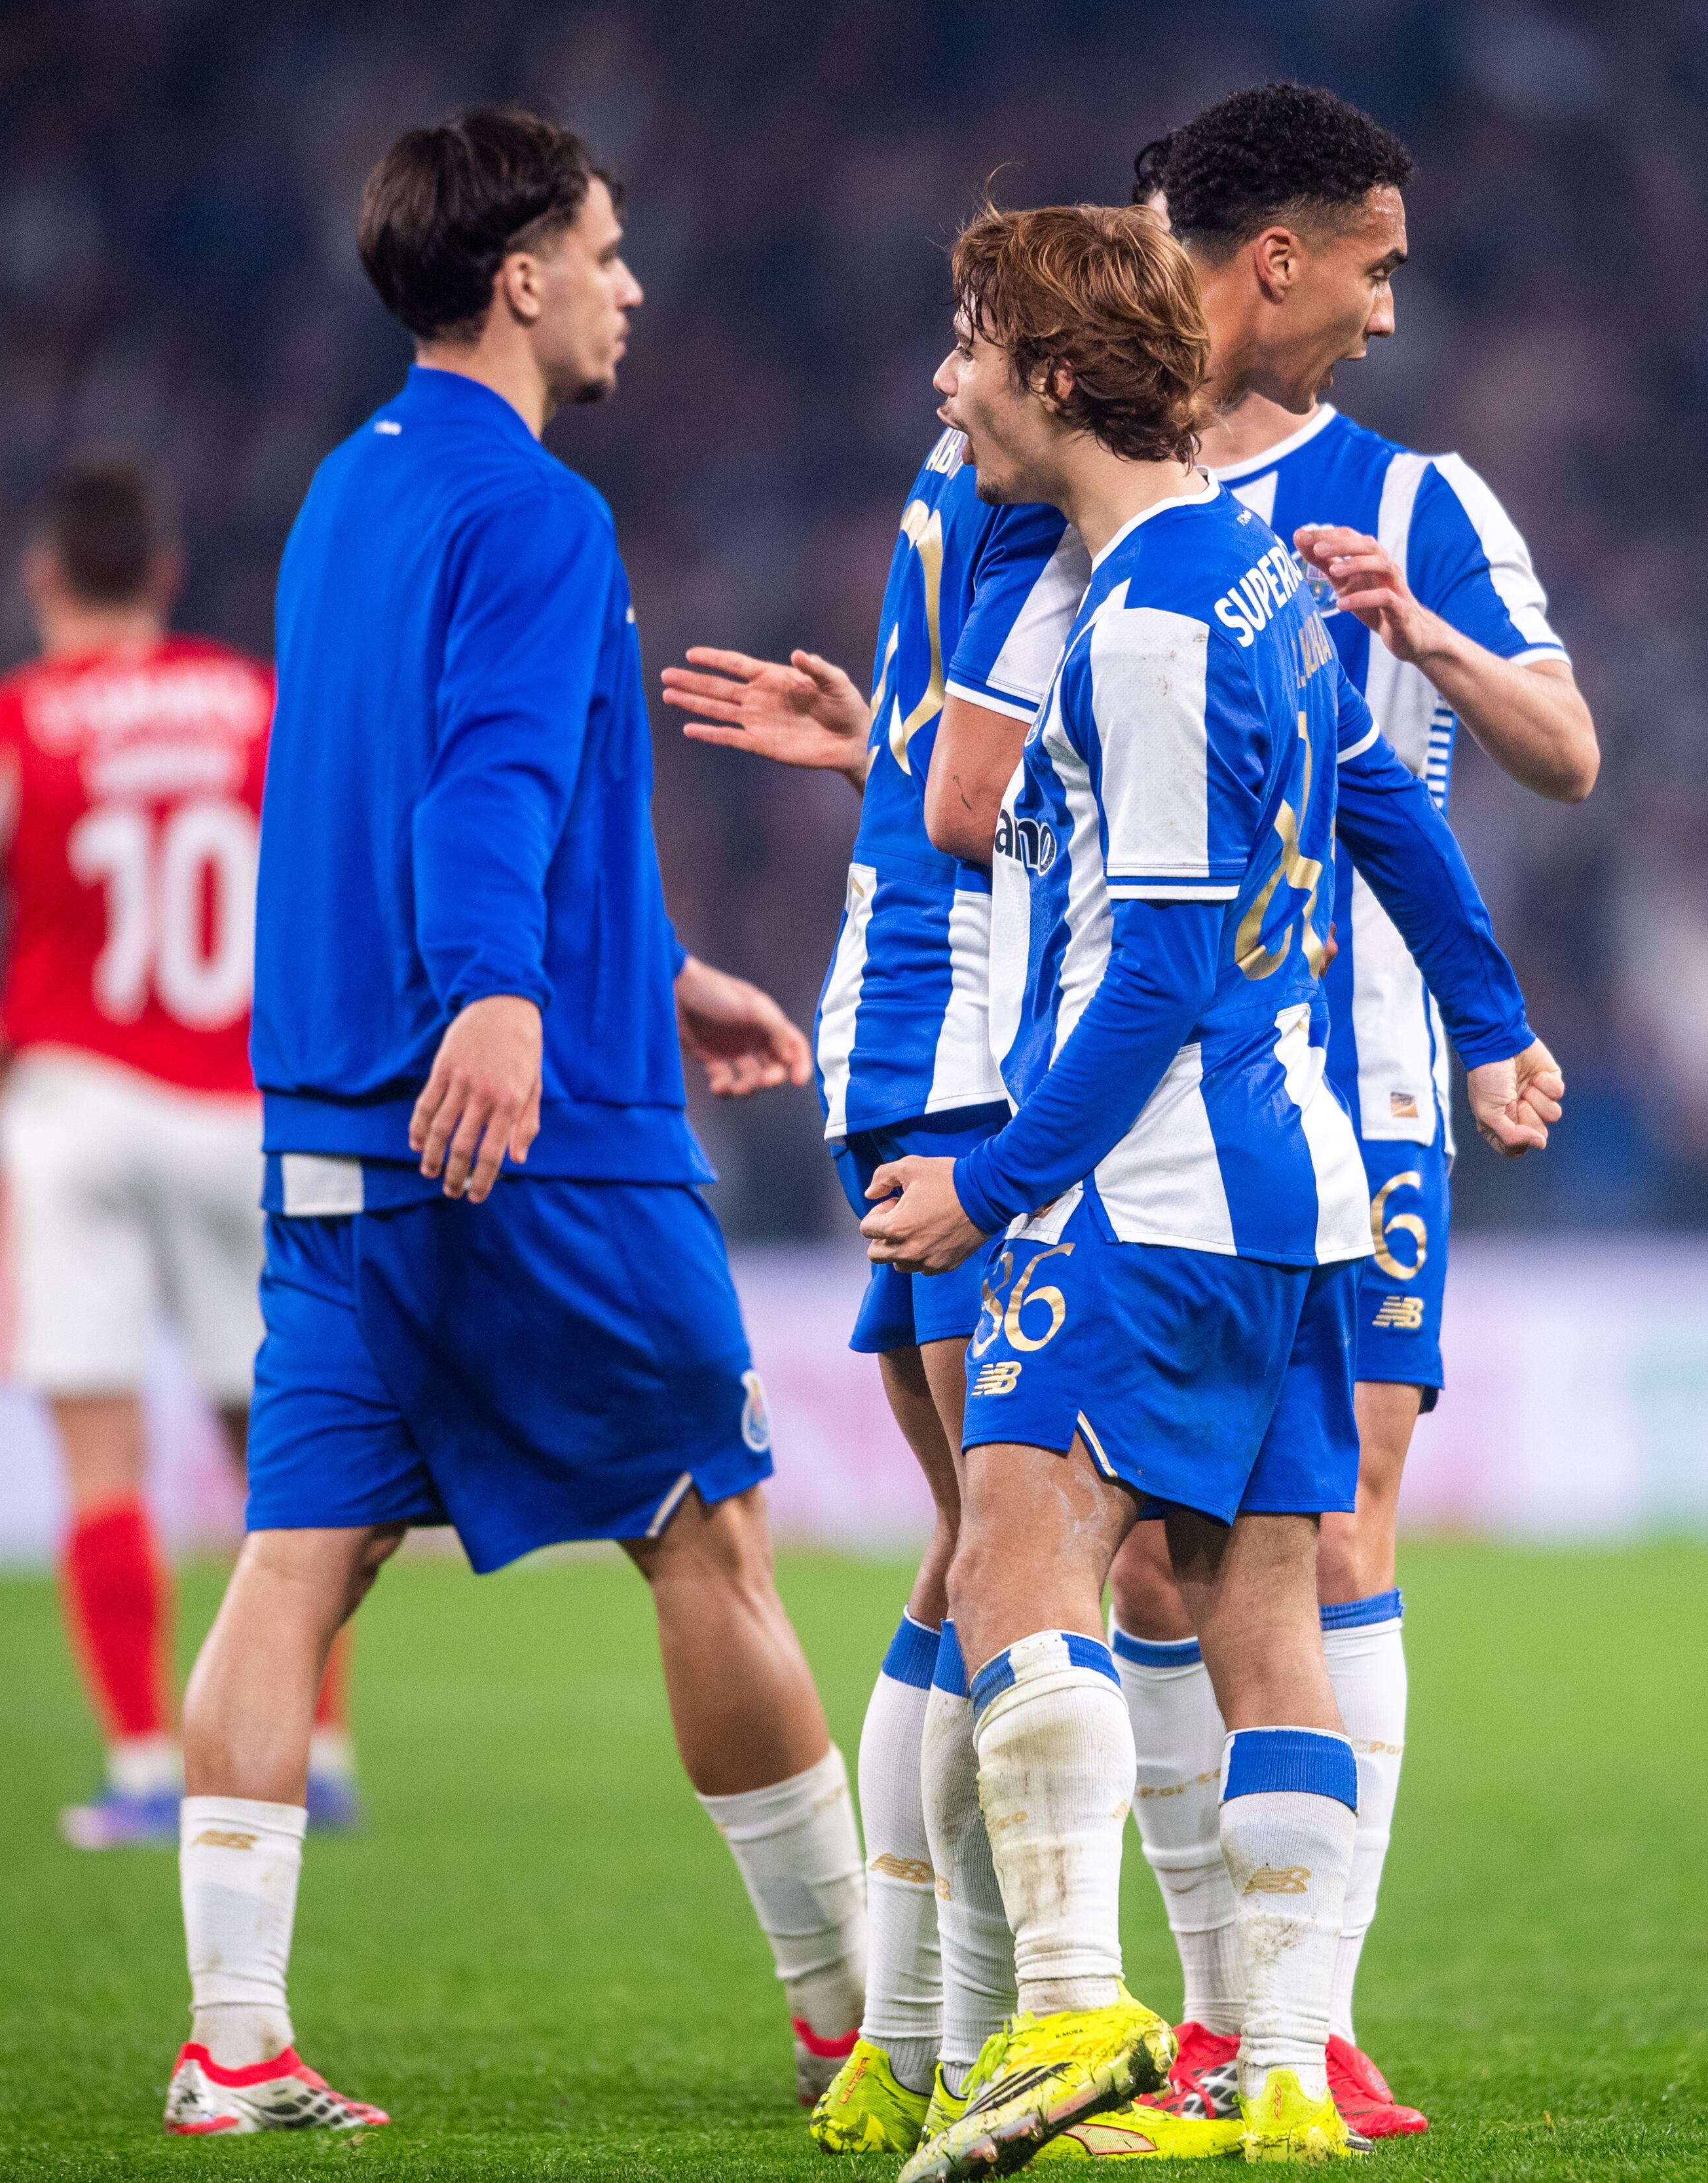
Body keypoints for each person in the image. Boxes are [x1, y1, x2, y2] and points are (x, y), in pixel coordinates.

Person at [156, 108, 859, 2136]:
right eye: (611, 250)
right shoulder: (542, 515)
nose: (634, 284)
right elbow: (480, 796)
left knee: (294, 1561)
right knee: (708, 1531)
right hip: (534, 1139)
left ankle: (234, 2039)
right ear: (523, 275)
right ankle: (852, 2022)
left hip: (328, 1126)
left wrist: (644, 964)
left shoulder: (340, 500)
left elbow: (376, 809)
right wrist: (503, 1001)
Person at [857, 200, 1561, 2178]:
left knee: (1016, 1547)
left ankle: (1076, 1996)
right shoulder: (1247, 574)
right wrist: (1494, 1009)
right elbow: (1386, 799)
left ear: (1060, 378)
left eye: (976, 351)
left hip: (1158, 1186)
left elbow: (1158, 959)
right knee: (1268, 1624)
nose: (952, 387)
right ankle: (1270, 2073)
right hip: (1304, 1186)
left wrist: (997, 1181)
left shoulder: (1153, 623)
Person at [1106, 84, 1603, 2140]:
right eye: (1379, 265)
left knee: (1332, 1526)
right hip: (1135, 1077)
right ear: (1281, 254)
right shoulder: (1094, 469)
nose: (1396, 313)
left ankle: (1298, 2012)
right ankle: (1215, 1998)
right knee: (1145, 1559)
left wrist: (1423, 637)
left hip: (1362, 1085)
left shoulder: (1423, 501)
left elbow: (1568, 747)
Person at [659, 401, 1084, 2151]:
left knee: (977, 1545)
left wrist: (876, 750)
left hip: (899, 1026)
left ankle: (907, 2035)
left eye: (970, 348)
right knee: (1023, 1543)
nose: (944, 387)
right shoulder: (1049, 483)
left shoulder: (953, 477)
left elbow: (939, 783)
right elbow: (997, 802)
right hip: (978, 1051)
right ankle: (1008, 2020)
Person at [0, 458, 360, 1853]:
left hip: (75, 1103)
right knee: (292, 1445)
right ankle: (318, 1748)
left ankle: (142, 1760)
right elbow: (355, 868)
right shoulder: (256, 704)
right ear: (167, 574)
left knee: (103, 1458)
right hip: (247, 1102)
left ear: (44, 580)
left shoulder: (15, 719)